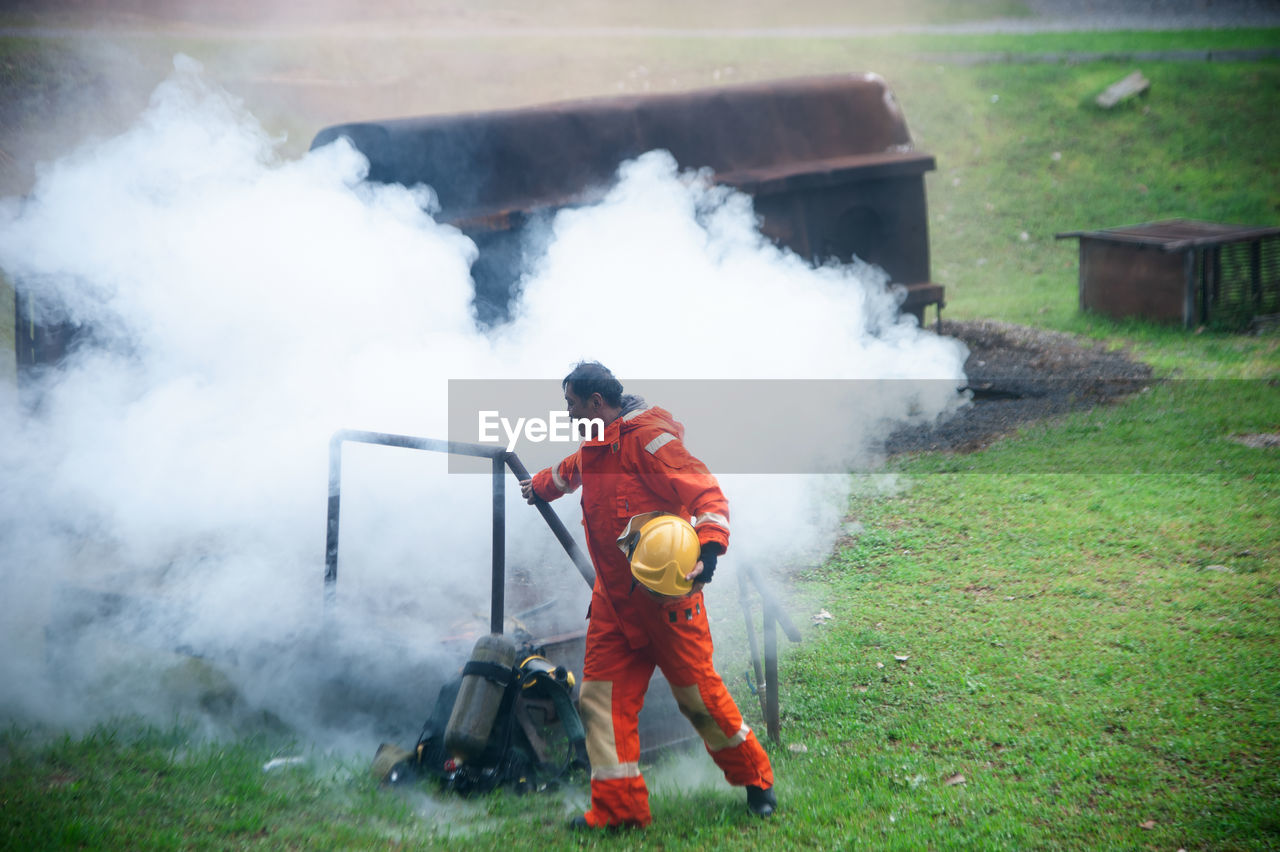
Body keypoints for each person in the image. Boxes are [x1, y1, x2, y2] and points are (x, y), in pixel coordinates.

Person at [519, 361, 776, 829]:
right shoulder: (597, 444)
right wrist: (537, 487)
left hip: (668, 608)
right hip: (614, 608)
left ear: (597, 403)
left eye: (572, 405)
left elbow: (707, 494)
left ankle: (757, 779)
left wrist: (711, 549)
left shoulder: (650, 443)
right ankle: (619, 811)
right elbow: (570, 470)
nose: (570, 414)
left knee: (700, 701)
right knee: (600, 701)